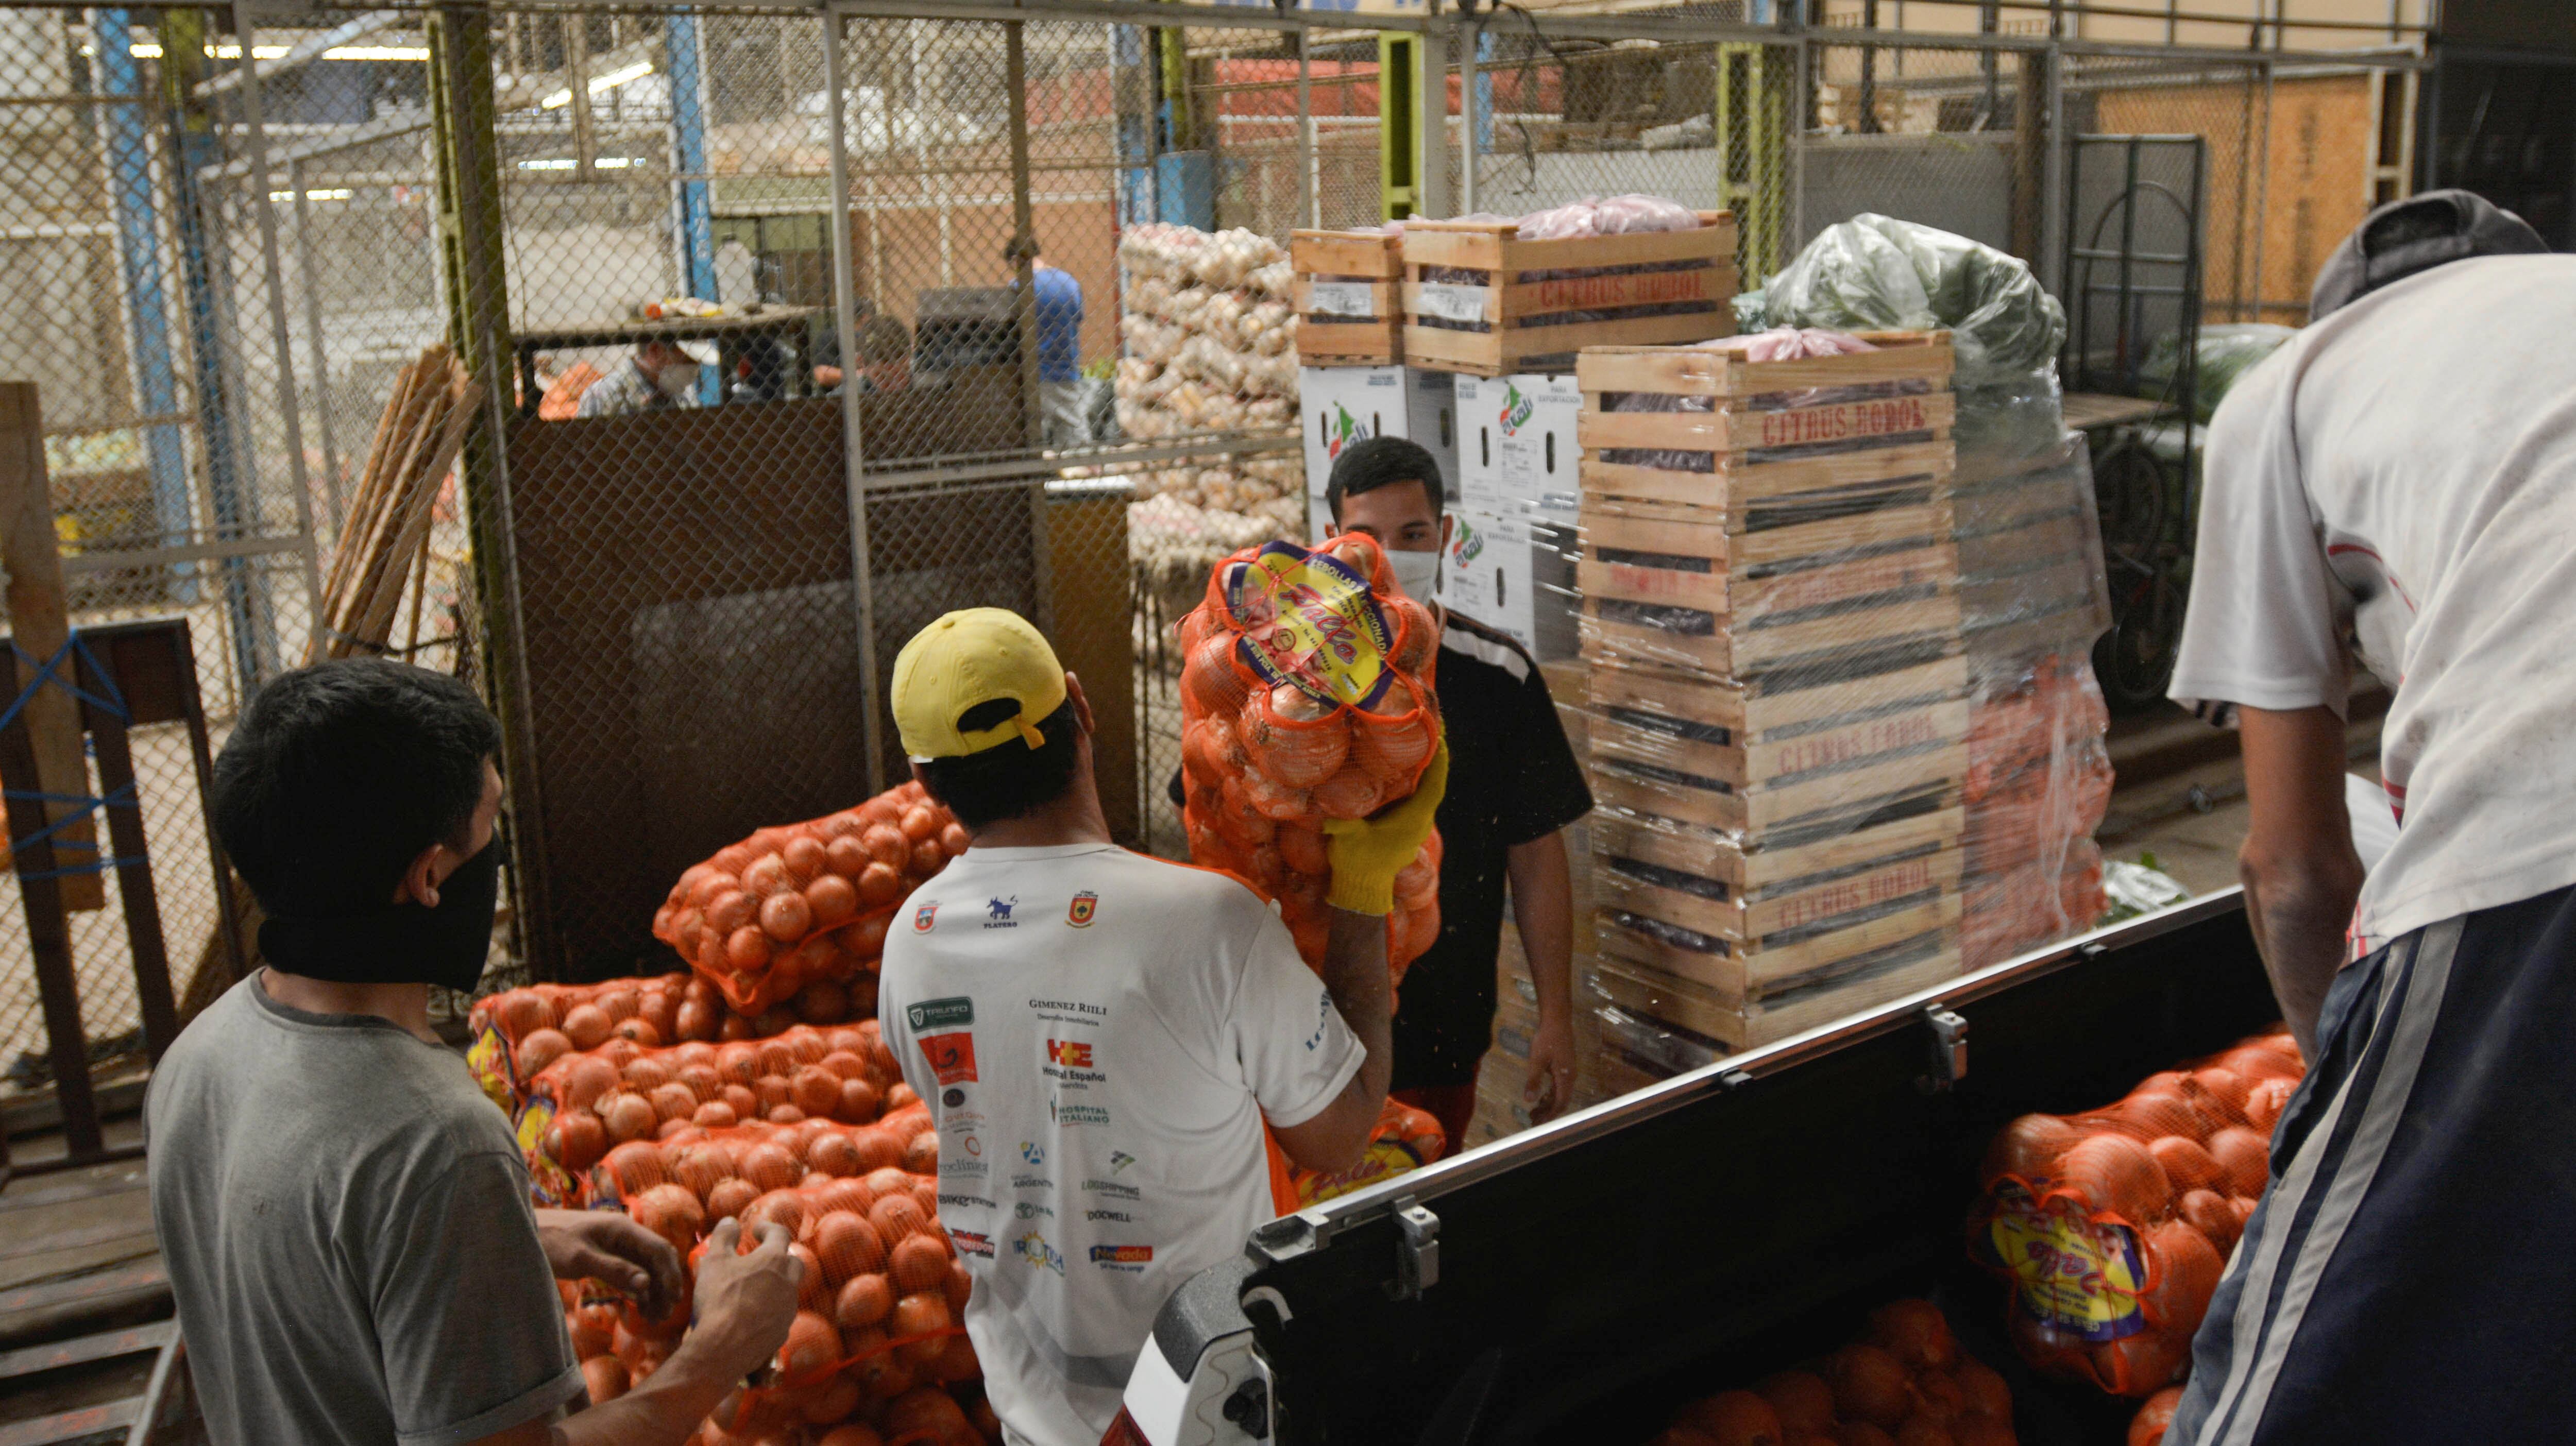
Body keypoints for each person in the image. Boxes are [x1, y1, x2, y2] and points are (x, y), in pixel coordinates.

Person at [2160, 190, 2573, 1445]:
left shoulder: (2285, 392)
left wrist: (2338, 1084)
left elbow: (2290, 868)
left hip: (2544, 827)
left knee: (2305, 1377)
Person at [147, 659, 805, 1446]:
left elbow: (300, 1280)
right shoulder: (436, 1138)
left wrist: (515, 1238)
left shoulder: (197, 1057)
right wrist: (720, 1350)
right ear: (431, 875)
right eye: (490, 825)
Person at [875, 607, 1440, 1446]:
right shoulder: (1211, 924)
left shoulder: (912, 940)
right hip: (1206, 1408)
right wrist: (1361, 883)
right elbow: (1339, 1134)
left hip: (1037, 1411)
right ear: (1081, 707)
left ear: (925, 779)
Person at [1332, 437, 1597, 1144]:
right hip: (1310, 1041)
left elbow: (1537, 855)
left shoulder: (1497, 677)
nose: (1389, 556)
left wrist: (1555, 1016)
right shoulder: (1289, 683)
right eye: (1366, 537)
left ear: (1446, 536)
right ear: (1333, 544)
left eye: (1413, 534)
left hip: (1444, 1030)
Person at [1026, 247, 1085, 448]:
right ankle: (1082, 471)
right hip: (1065, 369)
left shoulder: (1019, 287)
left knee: (1031, 440)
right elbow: (1078, 318)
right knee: (1075, 438)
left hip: (1031, 375)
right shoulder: (1069, 283)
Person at [575, 337, 715, 417]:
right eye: (687, 362)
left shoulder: (685, 395)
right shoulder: (605, 395)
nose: (694, 370)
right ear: (655, 351)